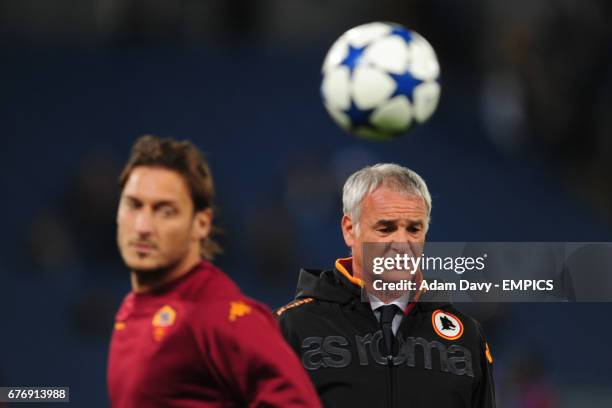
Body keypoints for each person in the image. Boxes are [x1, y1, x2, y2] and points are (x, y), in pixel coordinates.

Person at [107, 135, 321, 408]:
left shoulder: (220, 318)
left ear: (201, 223)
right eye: (133, 205)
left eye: (165, 211)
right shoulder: (130, 309)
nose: (143, 226)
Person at [276, 163, 496, 407]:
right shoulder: (292, 327)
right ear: (350, 230)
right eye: (386, 228)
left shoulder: (466, 337)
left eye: (414, 229)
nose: (402, 243)